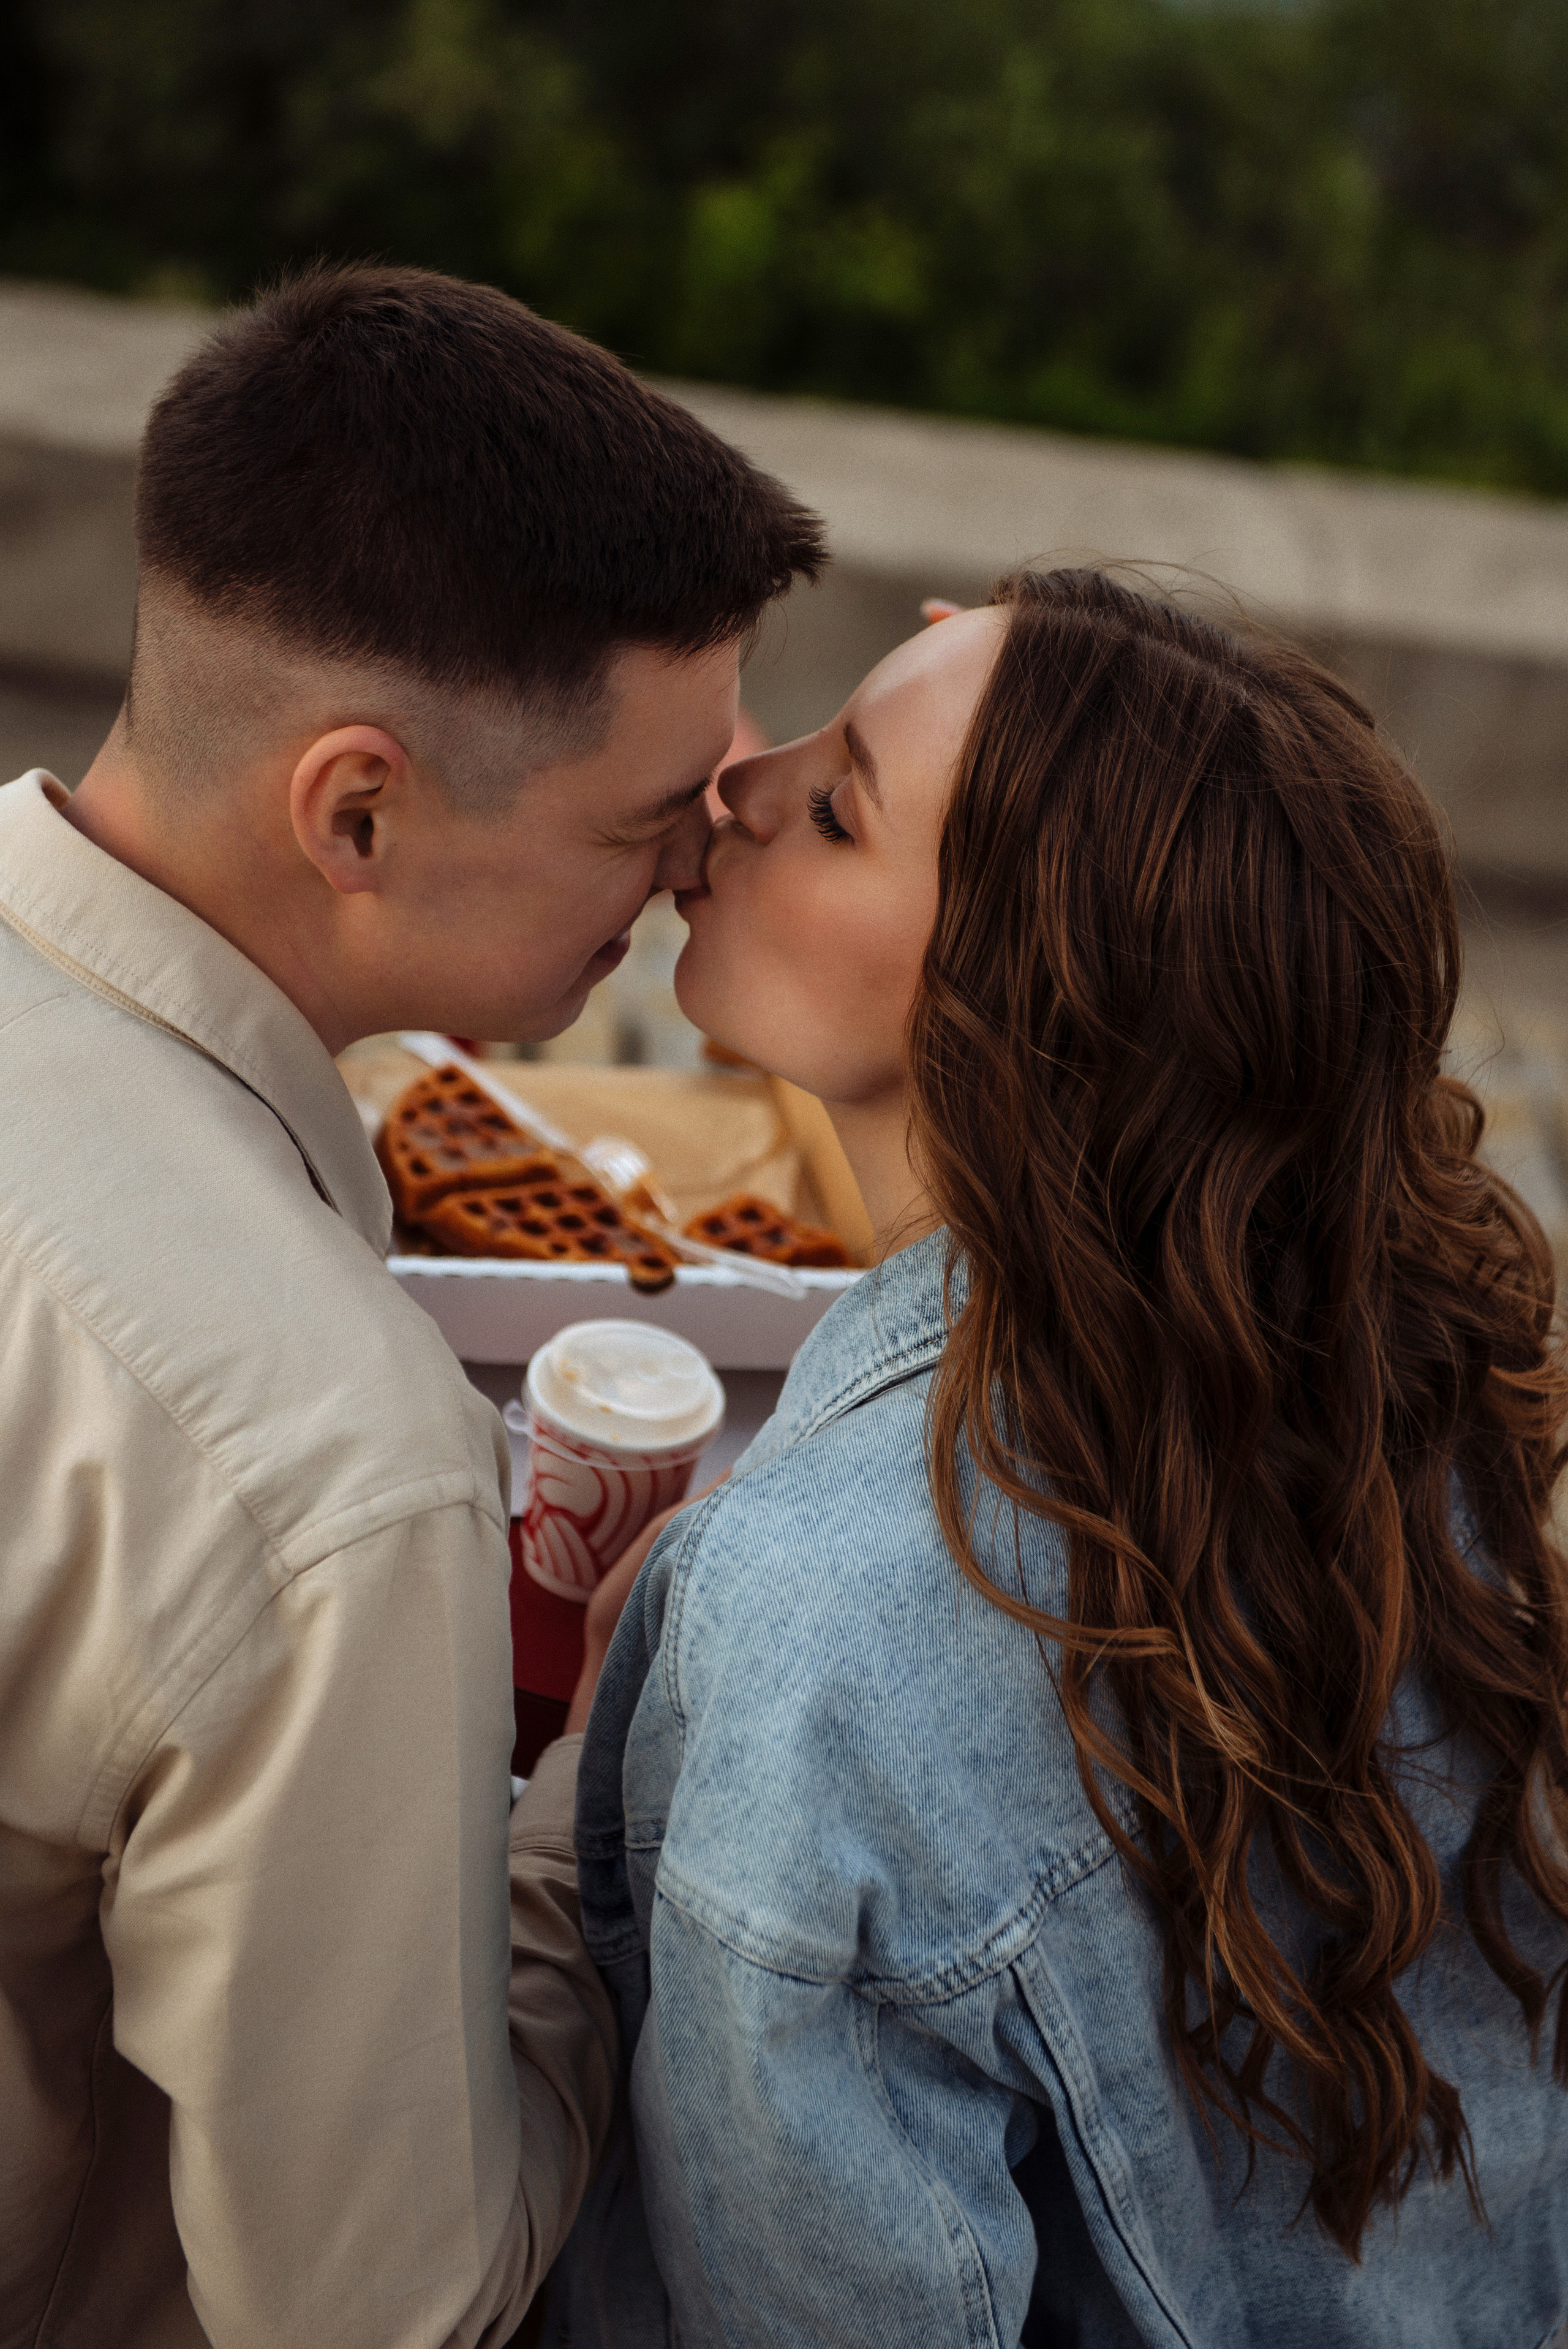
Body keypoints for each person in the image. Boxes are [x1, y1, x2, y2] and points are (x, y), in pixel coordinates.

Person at [558, 572, 1568, 2346]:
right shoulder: (1426, 1417)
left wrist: (589, 1751)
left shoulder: (806, 1637)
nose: (740, 782)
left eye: (842, 804)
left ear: (1019, 1009)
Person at [0, 262, 822, 2348]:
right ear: (357, 807)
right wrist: (578, 1806)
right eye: (640, 819)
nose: (684, 876)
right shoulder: (329, 1474)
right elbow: (387, 2310)